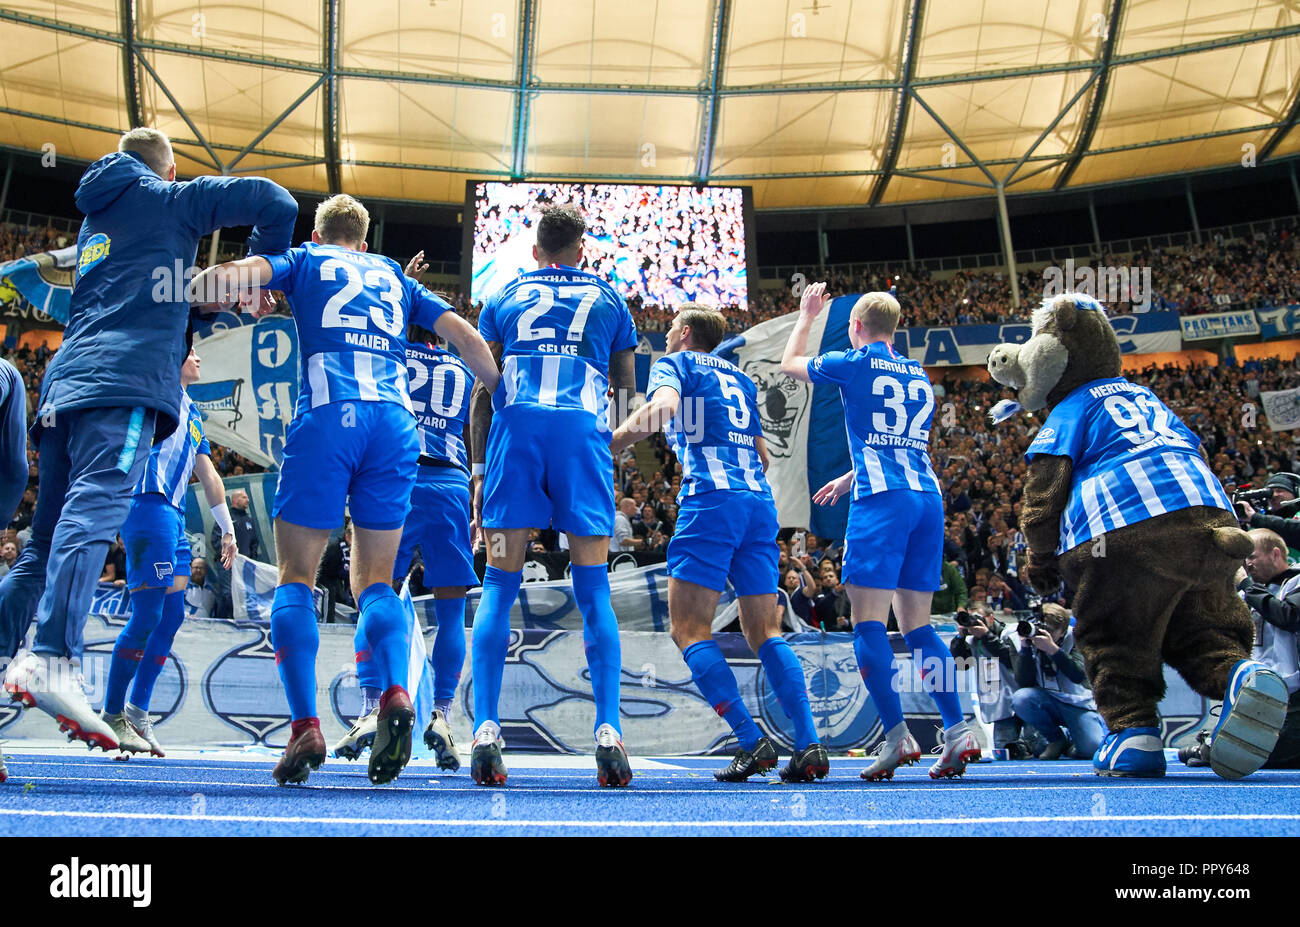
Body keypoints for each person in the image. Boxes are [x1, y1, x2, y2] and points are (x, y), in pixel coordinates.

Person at [1, 127, 295, 753]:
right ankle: (51, 656)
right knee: (95, 508)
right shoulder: (172, 199)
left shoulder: (96, 216)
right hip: (127, 382)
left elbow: (157, 290)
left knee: (41, 543)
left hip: (64, 384)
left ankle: (15, 658)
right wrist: (259, 276)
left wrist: (210, 297)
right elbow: (278, 201)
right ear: (168, 170)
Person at [193, 194, 498, 786]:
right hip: (395, 426)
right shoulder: (390, 274)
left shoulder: (302, 259)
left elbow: (221, 281)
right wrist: (503, 396)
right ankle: (396, 695)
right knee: (375, 584)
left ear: (317, 232)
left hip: (329, 416)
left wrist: (199, 287)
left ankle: (306, 724)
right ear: (363, 241)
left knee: (296, 579)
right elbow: (465, 336)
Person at [611, 305, 828, 782]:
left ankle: (752, 742)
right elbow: (764, 456)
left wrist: (610, 442)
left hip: (711, 501)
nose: (666, 337)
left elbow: (664, 409)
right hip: (757, 503)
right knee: (765, 632)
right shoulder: (739, 378)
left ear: (685, 333)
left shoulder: (678, 364)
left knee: (689, 631)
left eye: (670, 330)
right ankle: (809, 744)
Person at [783, 282, 981, 780]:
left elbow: (790, 365)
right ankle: (958, 731)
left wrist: (806, 317)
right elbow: (900, 442)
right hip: (926, 500)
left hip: (883, 502)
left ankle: (897, 737)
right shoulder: (917, 374)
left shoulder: (855, 361)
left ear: (855, 327)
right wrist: (852, 475)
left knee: (867, 624)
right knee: (917, 626)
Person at [469, 205, 637, 788]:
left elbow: (482, 394)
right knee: (594, 593)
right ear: (581, 250)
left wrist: (478, 469)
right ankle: (609, 731)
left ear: (536, 251)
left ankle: (486, 730)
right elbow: (624, 391)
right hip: (579, 435)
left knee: (498, 584)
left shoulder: (504, 294)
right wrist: (607, 449)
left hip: (516, 432)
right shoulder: (611, 301)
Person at [333, 307, 479, 773]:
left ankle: (371, 711)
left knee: (373, 591)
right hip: (452, 484)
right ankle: (443, 715)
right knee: (453, 611)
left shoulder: (391, 355)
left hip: (399, 478)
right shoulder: (461, 367)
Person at [99, 347, 237, 757]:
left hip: (173, 514)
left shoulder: (192, 411)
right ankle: (111, 716)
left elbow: (207, 473)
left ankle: (137, 711)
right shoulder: (153, 390)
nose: (199, 359)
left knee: (173, 613)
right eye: (191, 352)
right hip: (146, 502)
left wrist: (227, 529)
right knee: (147, 614)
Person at [1182, 529, 1300, 769]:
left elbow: (1288, 615)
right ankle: (1214, 746)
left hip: (1293, 695)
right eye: (1244, 560)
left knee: (1266, 756)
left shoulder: (1297, 580)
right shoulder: (1249, 592)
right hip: (1255, 693)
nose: (1247, 564)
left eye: (1252, 557)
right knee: (1248, 755)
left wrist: (1246, 586)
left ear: (1275, 554)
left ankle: (1212, 748)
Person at [1012, 604, 1107, 760]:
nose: (1044, 634)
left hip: (1077, 702)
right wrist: (1025, 650)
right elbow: (1024, 682)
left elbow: (1078, 675)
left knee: (1093, 749)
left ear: (1063, 631)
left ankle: (1071, 739)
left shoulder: (1078, 638)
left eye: (1051, 631)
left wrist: (1053, 650)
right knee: (1021, 698)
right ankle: (1056, 738)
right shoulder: (1024, 637)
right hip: (1046, 699)